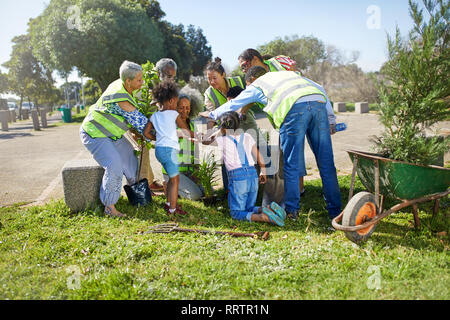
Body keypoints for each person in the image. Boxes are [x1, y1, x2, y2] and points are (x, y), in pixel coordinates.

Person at [201, 66, 342, 221]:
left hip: (294, 109)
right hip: (318, 103)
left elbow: (235, 103)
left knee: (291, 164)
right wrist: (332, 120)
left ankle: (292, 212)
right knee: (326, 163)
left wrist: (213, 114)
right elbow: (319, 88)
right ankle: (335, 211)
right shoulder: (288, 75)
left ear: (251, 80)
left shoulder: (256, 85)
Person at [80, 60, 150, 217]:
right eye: (139, 80)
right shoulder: (120, 97)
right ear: (128, 81)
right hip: (95, 133)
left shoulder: (124, 84)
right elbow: (143, 124)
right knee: (114, 164)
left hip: (111, 134)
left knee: (131, 159)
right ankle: (109, 207)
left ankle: (138, 198)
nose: (142, 82)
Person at [203, 111, 286, 226]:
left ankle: (263, 217)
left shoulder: (222, 140)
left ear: (222, 128)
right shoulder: (247, 136)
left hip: (238, 179)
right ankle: (268, 209)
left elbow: (205, 140)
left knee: (236, 213)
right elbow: (260, 157)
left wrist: (212, 126)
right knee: (249, 207)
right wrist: (263, 172)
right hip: (253, 175)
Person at [143, 81, 195, 216]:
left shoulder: (154, 116)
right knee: (175, 179)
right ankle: (172, 209)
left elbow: (146, 134)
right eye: (177, 103)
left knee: (171, 178)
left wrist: (158, 139)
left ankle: (168, 203)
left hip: (159, 151)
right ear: (172, 101)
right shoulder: (174, 115)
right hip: (169, 151)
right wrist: (197, 136)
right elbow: (185, 130)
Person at [160, 93, 204, 200]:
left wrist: (196, 172)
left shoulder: (193, 125)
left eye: (187, 108)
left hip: (189, 171)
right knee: (195, 196)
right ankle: (168, 185)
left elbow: (196, 153)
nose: (185, 111)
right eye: (181, 108)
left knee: (205, 192)